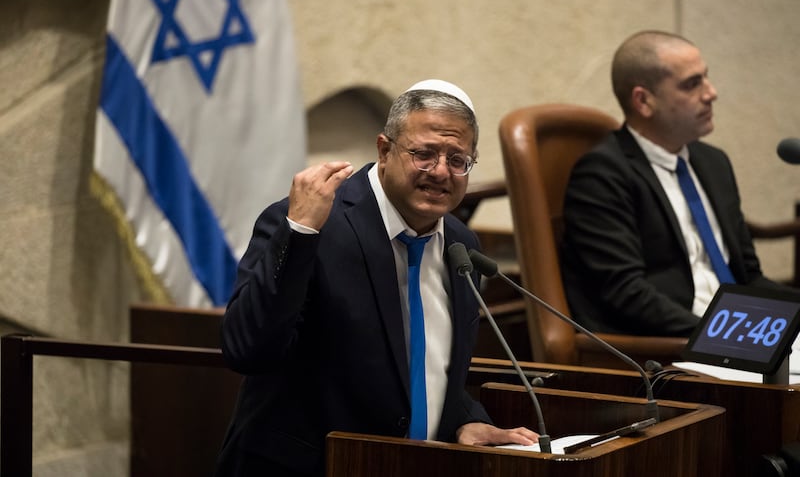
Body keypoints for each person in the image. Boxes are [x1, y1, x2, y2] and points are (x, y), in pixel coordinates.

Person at [214, 79, 539, 477]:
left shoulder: (459, 242)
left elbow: (427, 367)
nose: (441, 172)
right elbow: (248, 351)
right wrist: (297, 235)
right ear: (384, 150)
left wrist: (462, 418)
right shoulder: (312, 223)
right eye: (424, 154)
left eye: (458, 160)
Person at [560, 30, 784, 337]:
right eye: (692, 84)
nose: (711, 93)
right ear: (644, 101)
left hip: (735, 335)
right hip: (666, 348)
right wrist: (727, 336)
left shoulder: (713, 163)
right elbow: (626, 293)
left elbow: (748, 275)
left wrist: (784, 321)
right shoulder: (602, 174)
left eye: (706, 77)